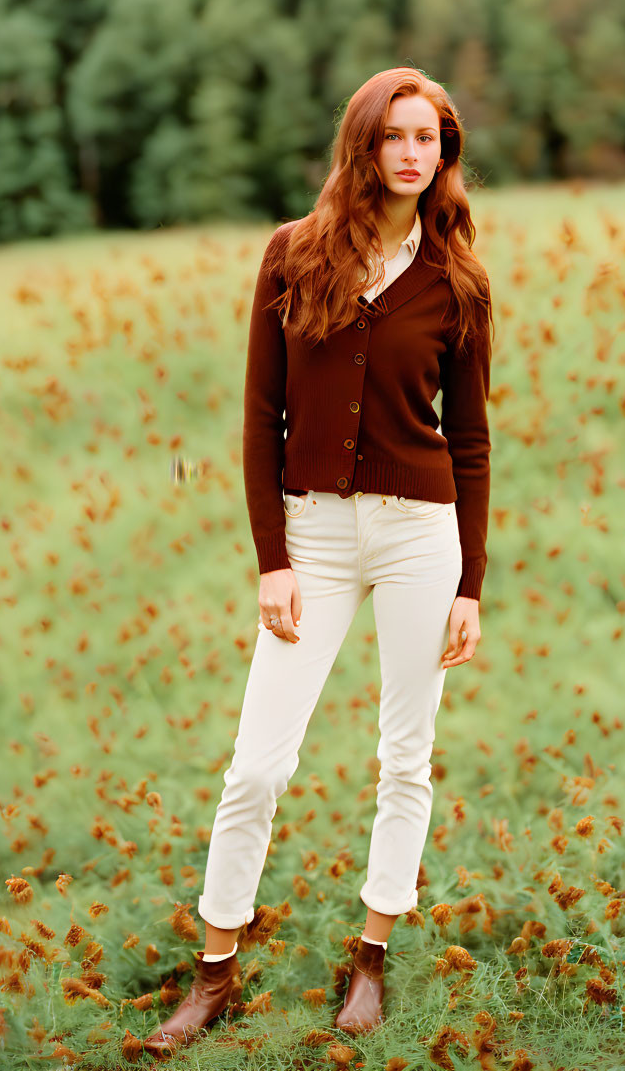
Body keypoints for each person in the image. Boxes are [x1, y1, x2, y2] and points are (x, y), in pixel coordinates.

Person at [144, 66, 493, 1057]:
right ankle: (214, 970)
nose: (414, 153)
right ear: (366, 145)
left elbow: (469, 442)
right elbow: (263, 419)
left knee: (403, 758)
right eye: (397, 136)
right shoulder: (293, 257)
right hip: (316, 537)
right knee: (258, 765)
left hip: (424, 533)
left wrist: (469, 580)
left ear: (445, 153)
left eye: (430, 138)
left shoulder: (455, 279)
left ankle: (371, 952)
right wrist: (275, 559)